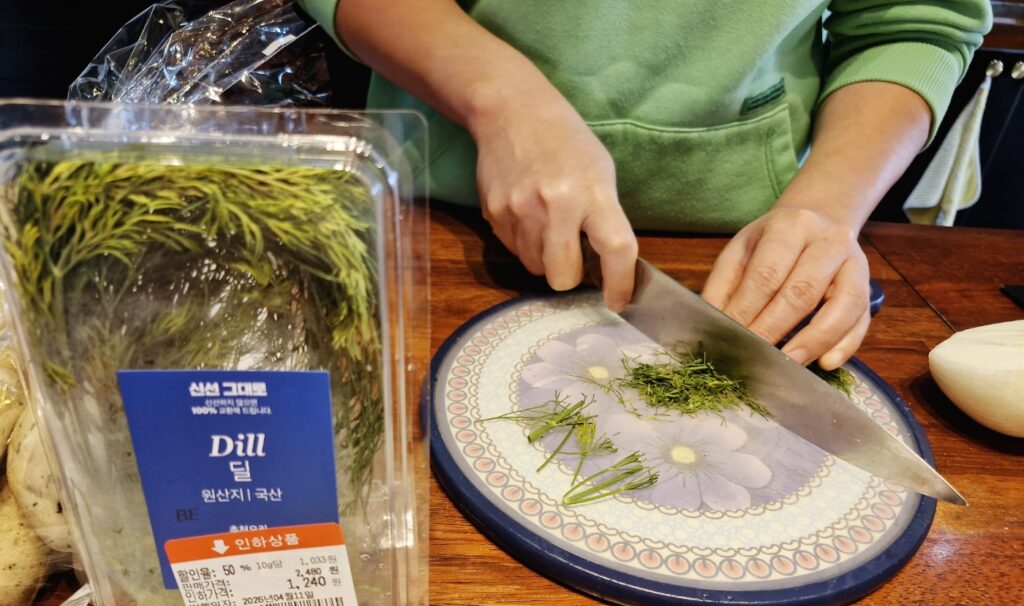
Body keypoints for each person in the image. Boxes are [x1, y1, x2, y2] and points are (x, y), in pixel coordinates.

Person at [299, 0, 991, 369]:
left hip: (744, 257)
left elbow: (915, 24)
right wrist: (504, 100)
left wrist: (828, 205)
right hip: (443, 224)